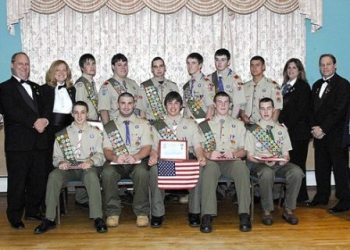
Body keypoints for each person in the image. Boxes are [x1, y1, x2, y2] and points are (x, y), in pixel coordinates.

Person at [34, 101, 107, 234]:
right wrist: (61, 162)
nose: (79, 116)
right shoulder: (62, 134)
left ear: (87, 114)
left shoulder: (96, 132)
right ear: (72, 114)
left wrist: (91, 161)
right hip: (69, 168)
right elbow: (56, 157)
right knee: (53, 176)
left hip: (87, 167)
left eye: (83, 112)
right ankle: (49, 218)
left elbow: (101, 155)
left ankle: (98, 217)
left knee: (91, 176)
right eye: (76, 112)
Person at [0, 52, 49, 229]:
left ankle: (33, 210)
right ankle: (14, 216)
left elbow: (45, 108)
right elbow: (11, 110)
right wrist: (33, 121)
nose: (24, 67)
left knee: (38, 179)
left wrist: (45, 120)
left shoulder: (37, 87)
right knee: (18, 182)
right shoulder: (4, 88)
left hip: (39, 142)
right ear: (12, 65)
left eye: (27, 64)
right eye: (20, 64)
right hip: (18, 144)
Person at [148, 91, 206, 228]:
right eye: (169, 103)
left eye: (176, 103)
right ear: (165, 106)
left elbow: (197, 146)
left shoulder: (190, 123)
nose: (173, 106)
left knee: (198, 168)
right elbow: (154, 147)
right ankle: (157, 214)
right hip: (166, 163)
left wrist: (201, 157)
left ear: (181, 106)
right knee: (154, 170)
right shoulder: (158, 125)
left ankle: (194, 212)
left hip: (185, 163)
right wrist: (153, 156)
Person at [245, 97, 304, 226]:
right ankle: (267, 210)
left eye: (269, 108)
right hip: (258, 164)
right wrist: (264, 161)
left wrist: (283, 161)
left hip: (278, 164)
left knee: (297, 172)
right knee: (266, 173)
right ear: (258, 110)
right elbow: (249, 156)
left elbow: (286, 155)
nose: (266, 112)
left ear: (273, 110)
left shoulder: (281, 130)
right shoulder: (253, 129)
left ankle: (288, 209)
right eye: (262, 109)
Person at [199, 91, 251, 233]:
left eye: (226, 102)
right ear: (214, 105)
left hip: (231, 161)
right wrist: (209, 153)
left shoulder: (238, 124)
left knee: (241, 168)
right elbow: (198, 148)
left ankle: (244, 213)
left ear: (230, 105)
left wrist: (233, 153)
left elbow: (244, 150)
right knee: (209, 170)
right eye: (219, 102)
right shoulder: (205, 125)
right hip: (212, 161)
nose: (223, 105)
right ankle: (207, 215)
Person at [101, 92, 152, 227]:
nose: (126, 106)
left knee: (142, 173)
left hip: (137, 160)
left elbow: (147, 147)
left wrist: (135, 157)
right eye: (123, 103)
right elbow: (107, 150)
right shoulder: (110, 126)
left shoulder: (144, 124)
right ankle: (112, 213)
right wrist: (116, 158)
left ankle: (142, 213)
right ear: (118, 105)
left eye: (129, 103)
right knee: (107, 173)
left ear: (134, 105)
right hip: (116, 161)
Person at [310, 54, 350, 213]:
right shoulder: (316, 85)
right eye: (322, 64)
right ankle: (322, 196)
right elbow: (311, 109)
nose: (325, 67)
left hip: (336, 135)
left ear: (335, 66)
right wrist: (314, 127)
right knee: (321, 167)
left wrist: (323, 129)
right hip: (319, 135)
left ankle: (345, 200)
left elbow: (338, 111)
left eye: (328, 64)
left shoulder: (343, 85)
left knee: (340, 169)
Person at [278, 58, 312, 205]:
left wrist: (285, 125)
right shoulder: (284, 87)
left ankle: (301, 196)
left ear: (300, 71)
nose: (291, 70)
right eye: (289, 68)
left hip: (298, 133)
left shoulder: (303, 87)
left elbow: (300, 111)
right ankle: (290, 195)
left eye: (294, 68)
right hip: (287, 133)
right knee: (289, 164)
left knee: (298, 165)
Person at [74, 53, 99, 207]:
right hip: (85, 124)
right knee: (84, 157)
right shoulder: (81, 84)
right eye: (88, 64)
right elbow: (80, 107)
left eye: (94, 64)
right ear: (82, 67)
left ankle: (87, 194)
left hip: (94, 124)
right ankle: (81, 197)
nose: (92, 67)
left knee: (91, 157)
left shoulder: (91, 83)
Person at [41, 60, 76, 166]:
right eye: (57, 70)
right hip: (50, 131)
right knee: (50, 160)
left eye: (64, 69)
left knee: (68, 160)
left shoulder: (72, 89)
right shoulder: (44, 89)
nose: (61, 72)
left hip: (68, 129)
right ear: (52, 72)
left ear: (68, 72)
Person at [98, 53, 139, 124]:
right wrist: (109, 130)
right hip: (117, 126)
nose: (123, 68)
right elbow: (104, 111)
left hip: (135, 126)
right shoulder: (107, 86)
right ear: (113, 67)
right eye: (119, 65)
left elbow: (140, 106)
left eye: (125, 65)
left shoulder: (133, 84)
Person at [240, 56, 282, 124]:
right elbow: (241, 107)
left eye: (257, 65)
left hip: (266, 126)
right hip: (249, 126)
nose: (254, 68)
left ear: (263, 67)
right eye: (252, 65)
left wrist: (270, 126)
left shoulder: (273, 86)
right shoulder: (244, 87)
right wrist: (243, 116)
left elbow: (277, 109)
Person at [137, 57, 179, 122]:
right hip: (151, 125)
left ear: (165, 68)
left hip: (170, 125)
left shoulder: (173, 86)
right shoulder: (144, 86)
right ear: (152, 69)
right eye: (155, 67)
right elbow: (142, 111)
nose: (158, 69)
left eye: (161, 66)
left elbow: (178, 108)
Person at [207, 48, 246, 118]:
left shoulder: (235, 79)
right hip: (213, 117)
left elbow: (237, 104)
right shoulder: (209, 78)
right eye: (217, 59)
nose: (219, 63)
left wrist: (232, 121)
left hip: (229, 115)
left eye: (223, 60)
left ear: (228, 62)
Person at [183, 52, 215, 120]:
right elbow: (185, 108)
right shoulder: (187, 85)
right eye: (188, 63)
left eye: (193, 63)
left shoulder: (206, 83)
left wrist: (205, 125)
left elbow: (211, 107)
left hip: (201, 122)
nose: (190, 66)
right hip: (188, 123)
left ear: (200, 65)